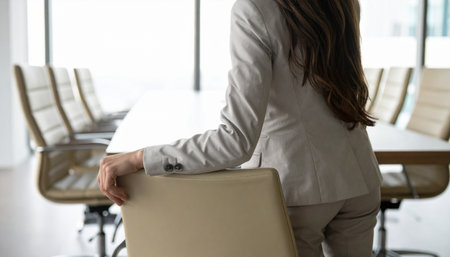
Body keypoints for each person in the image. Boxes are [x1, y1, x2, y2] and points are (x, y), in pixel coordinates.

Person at [97, 0, 382, 256]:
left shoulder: (255, 9)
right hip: (360, 179)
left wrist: (139, 158)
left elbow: (236, 141)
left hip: (300, 192)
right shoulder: (344, 3)